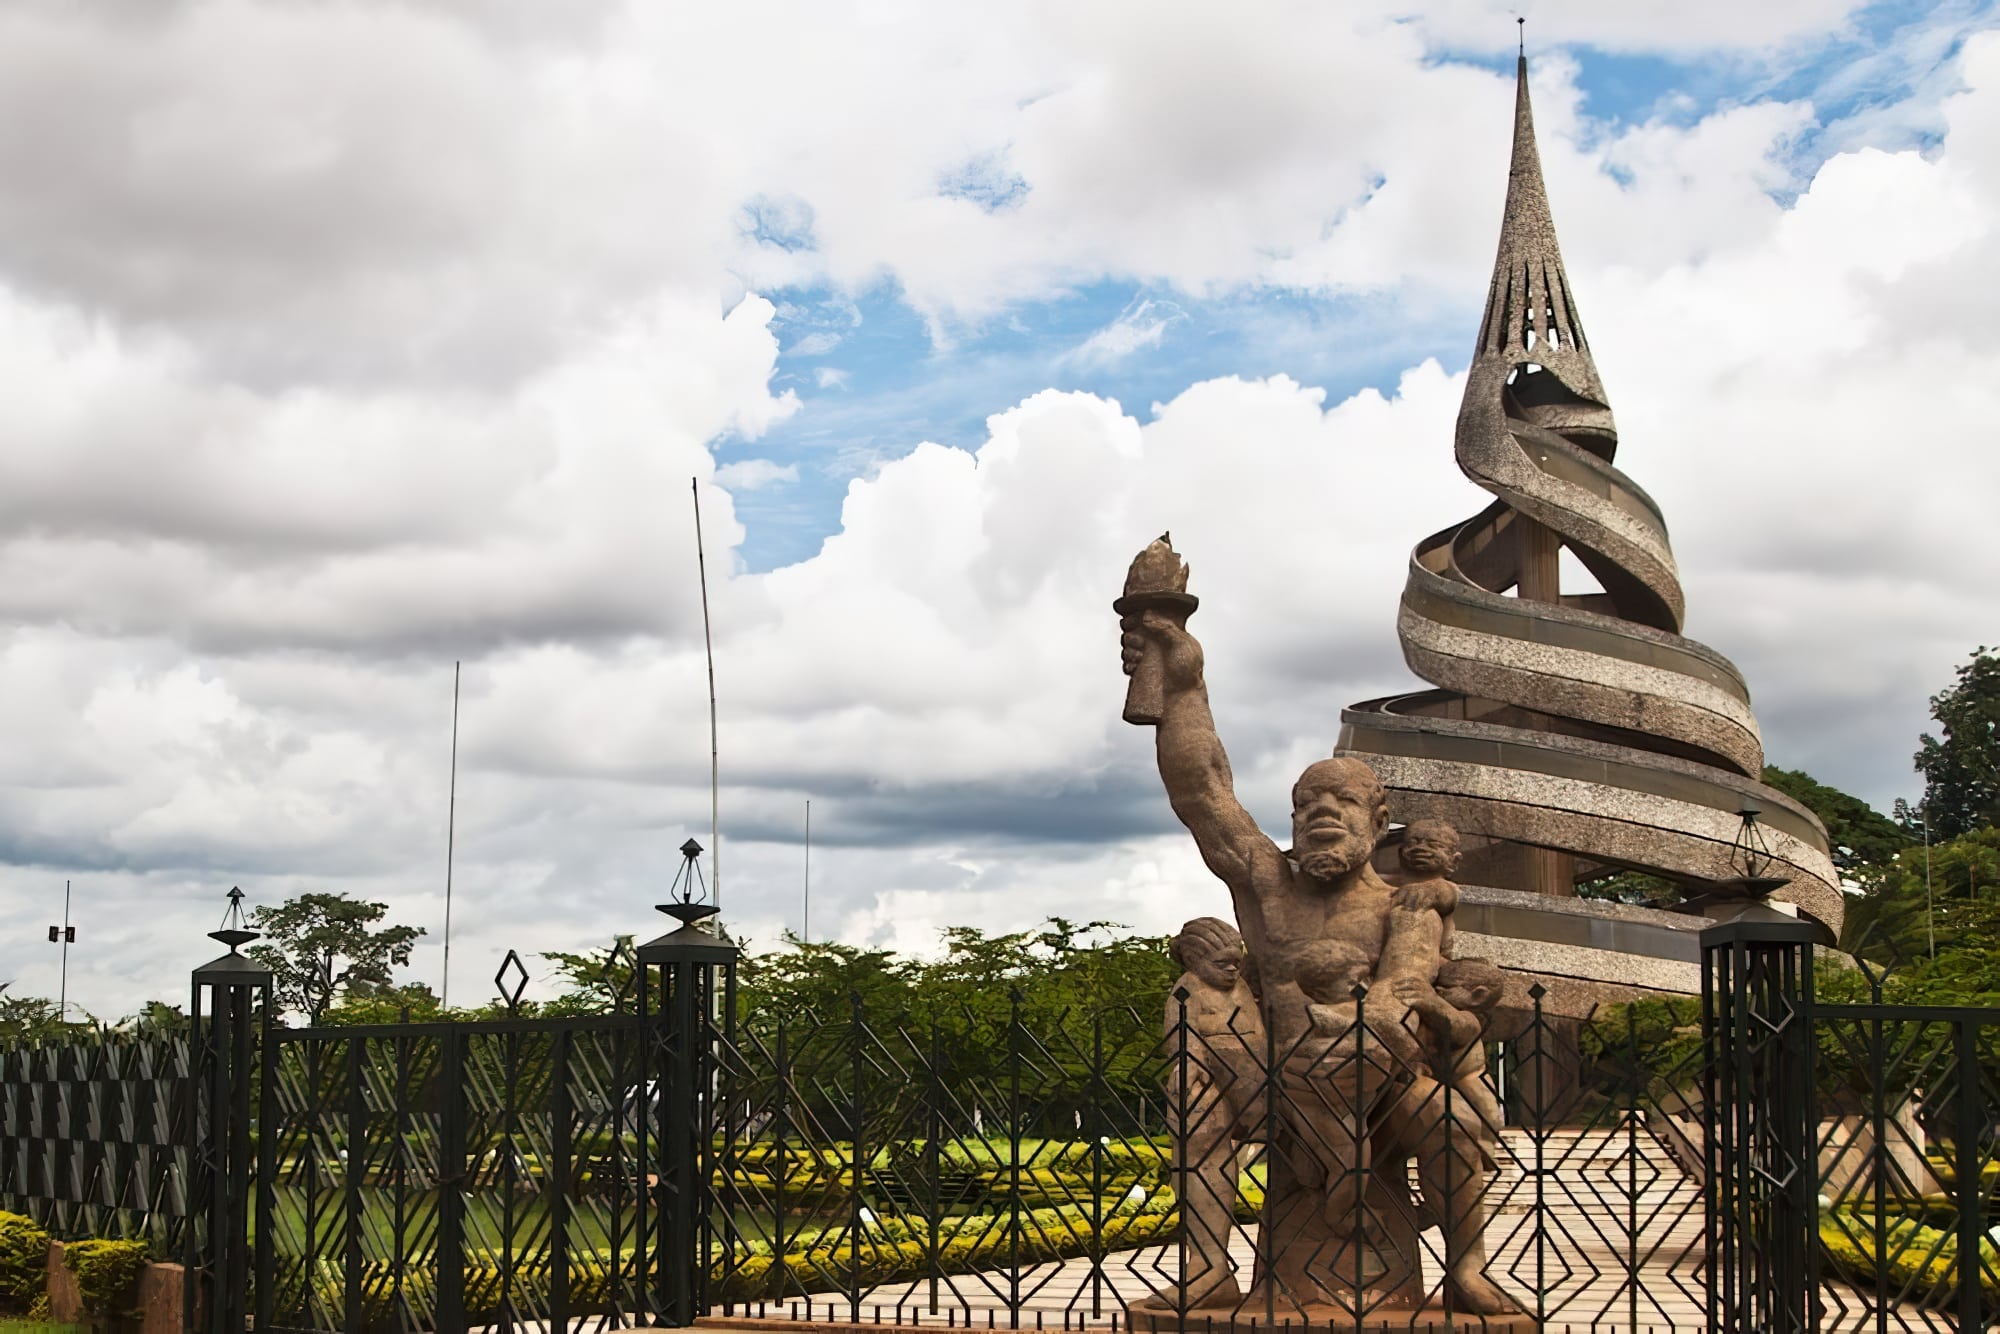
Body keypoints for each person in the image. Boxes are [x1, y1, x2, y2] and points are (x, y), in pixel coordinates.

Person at [1120, 607, 1519, 1316]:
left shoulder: (1408, 903)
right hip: (1270, 1081)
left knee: (1453, 1125)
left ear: (1380, 819)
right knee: (1195, 1098)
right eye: (1307, 802)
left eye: (1343, 800)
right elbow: (1201, 789)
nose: (1321, 812)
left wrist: (1349, 1063)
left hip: (1379, 1081)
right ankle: (1210, 1264)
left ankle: (1468, 1268)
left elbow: (1400, 987)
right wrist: (1183, 683)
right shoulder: (1267, 882)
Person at [1153, 917, 1267, 1308]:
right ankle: (1208, 1266)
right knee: (1196, 1127)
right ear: (1194, 959)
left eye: (1236, 961)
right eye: (1222, 963)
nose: (1232, 969)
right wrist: (1190, 1059)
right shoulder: (1187, 990)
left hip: (1263, 1084)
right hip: (1214, 1082)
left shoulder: (1246, 984)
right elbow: (1181, 1036)